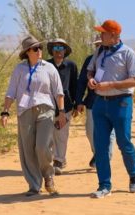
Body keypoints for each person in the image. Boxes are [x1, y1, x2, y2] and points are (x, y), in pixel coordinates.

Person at [1, 35, 65, 196]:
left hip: (46, 110)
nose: (39, 51)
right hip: (25, 111)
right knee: (28, 149)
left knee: (43, 146)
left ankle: (48, 176)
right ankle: (34, 185)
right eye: (35, 49)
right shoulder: (19, 69)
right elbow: (11, 92)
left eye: (40, 48)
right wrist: (5, 112)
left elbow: (59, 92)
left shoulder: (49, 68)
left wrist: (62, 112)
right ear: (28, 52)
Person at [87, 19, 135, 198]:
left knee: (123, 142)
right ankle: (104, 185)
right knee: (100, 146)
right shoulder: (99, 51)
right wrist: (91, 79)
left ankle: (134, 175)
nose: (100, 35)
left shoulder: (128, 54)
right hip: (100, 103)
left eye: (103, 32)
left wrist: (111, 84)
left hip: (122, 102)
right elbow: (91, 70)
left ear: (114, 35)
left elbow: (134, 81)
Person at [75, 35, 115, 168]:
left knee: (109, 133)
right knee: (90, 131)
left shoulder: (114, 60)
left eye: (102, 45)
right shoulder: (89, 61)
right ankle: (98, 154)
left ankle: (104, 159)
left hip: (112, 102)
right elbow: (81, 81)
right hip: (93, 102)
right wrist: (79, 101)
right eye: (97, 45)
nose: (100, 47)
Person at [46, 38, 78, 175]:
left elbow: (75, 85)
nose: (59, 52)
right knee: (49, 134)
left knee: (61, 134)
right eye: (56, 48)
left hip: (67, 105)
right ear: (52, 51)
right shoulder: (45, 65)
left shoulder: (71, 65)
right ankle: (50, 159)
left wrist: (77, 103)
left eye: (61, 49)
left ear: (65, 51)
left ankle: (59, 160)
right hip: (48, 105)